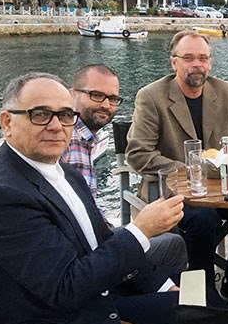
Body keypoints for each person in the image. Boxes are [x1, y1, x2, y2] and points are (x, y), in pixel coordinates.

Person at [0, 72, 207, 324]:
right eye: (40, 114)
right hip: (66, 316)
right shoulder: (0, 196)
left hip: (99, 288)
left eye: (65, 115)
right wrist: (140, 230)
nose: (56, 126)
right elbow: (66, 288)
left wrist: (164, 286)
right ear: (7, 123)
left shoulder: (65, 173)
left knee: (206, 299)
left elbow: (102, 239)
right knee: (207, 317)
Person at [126, 30, 228, 309]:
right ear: (173, 62)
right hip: (173, 191)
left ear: (210, 63)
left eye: (202, 58)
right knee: (202, 218)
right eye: (188, 58)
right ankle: (203, 287)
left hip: (223, 186)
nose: (197, 64)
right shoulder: (151, 97)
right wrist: (189, 168)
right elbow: (138, 154)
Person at [61, 64, 188, 275]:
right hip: (83, 257)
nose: (105, 105)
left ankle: (164, 292)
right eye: (96, 95)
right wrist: (135, 232)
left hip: (95, 239)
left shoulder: (86, 140)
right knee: (175, 243)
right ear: (72, 94)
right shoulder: (66, 141)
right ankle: (163, 299)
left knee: (174, 243)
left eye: (112, 99)